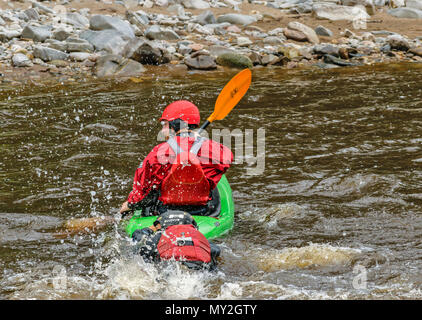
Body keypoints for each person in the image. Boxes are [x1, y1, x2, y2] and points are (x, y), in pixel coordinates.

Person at [119, 100, 233, 217]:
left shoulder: (158, 153)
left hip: (165, 211)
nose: (163, 131)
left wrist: (130, 204)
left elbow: (143, 187)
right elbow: (227, 160)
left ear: (175, 124)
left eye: (165, 125)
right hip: (204, 210)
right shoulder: (217, 150)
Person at [132, 210, 221, 271]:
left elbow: (138, 240)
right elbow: (216, 250)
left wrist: (149, 230)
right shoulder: (197, 235)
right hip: (200, 266)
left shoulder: (162, 234)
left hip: (172, 267)